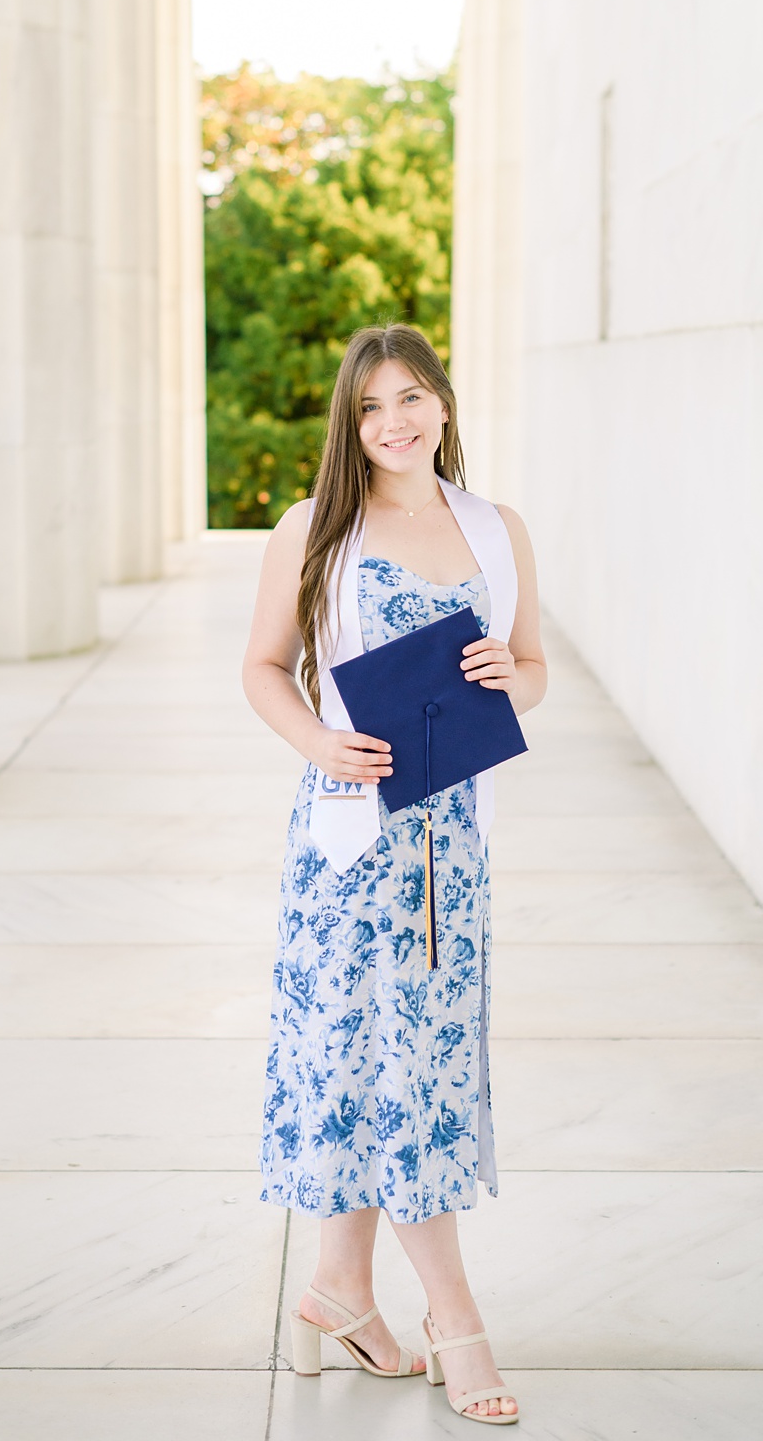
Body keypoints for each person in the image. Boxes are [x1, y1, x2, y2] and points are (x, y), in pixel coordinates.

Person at [240, 322, 543, 1426]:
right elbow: (264, 669)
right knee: (371, 1061)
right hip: (349, 844)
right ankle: (454, 1319)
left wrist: (517, 674)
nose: (396, 422)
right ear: (351, 425)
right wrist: (317, 742)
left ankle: (338, 1287)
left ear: (444, 404)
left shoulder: (495, 529)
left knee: (409, 1062)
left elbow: (537, 669)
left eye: (412, 397)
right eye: (372, 408)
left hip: (449, 848)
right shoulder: (316, 529)